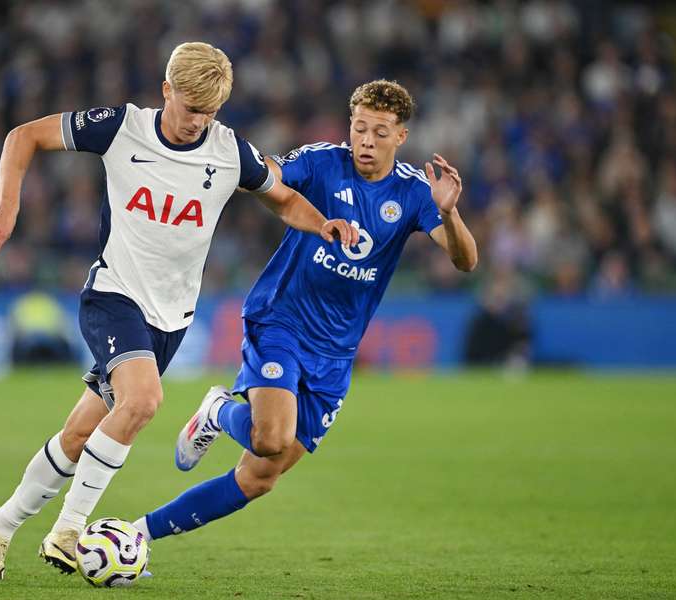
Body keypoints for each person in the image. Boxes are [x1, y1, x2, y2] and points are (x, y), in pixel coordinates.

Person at [0, 42, 357, 582]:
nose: (196, 122)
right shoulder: (120, 127)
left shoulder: (229, 151)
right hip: (114, 295)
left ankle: (1, 526)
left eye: (208, 112)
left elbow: (284, 198)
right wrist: (9, 205)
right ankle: (69, 530)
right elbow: (23, 136)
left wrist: (324, 224)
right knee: (144, 401)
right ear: (166, 90)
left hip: (170, 319)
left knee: (81, 435)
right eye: (189, 107)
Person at [129, 79, 478, 548]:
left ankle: (137, 535)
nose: (366, 142)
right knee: (270, 437)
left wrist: (450, 215)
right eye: (359, 129)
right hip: (281, 322)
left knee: (258, 478)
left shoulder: (415, 193)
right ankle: (217, 408)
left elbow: (465, 261)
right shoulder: (321, 162)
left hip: (335, 355)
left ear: (401, 137)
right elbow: (267, 175)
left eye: (378, 132)